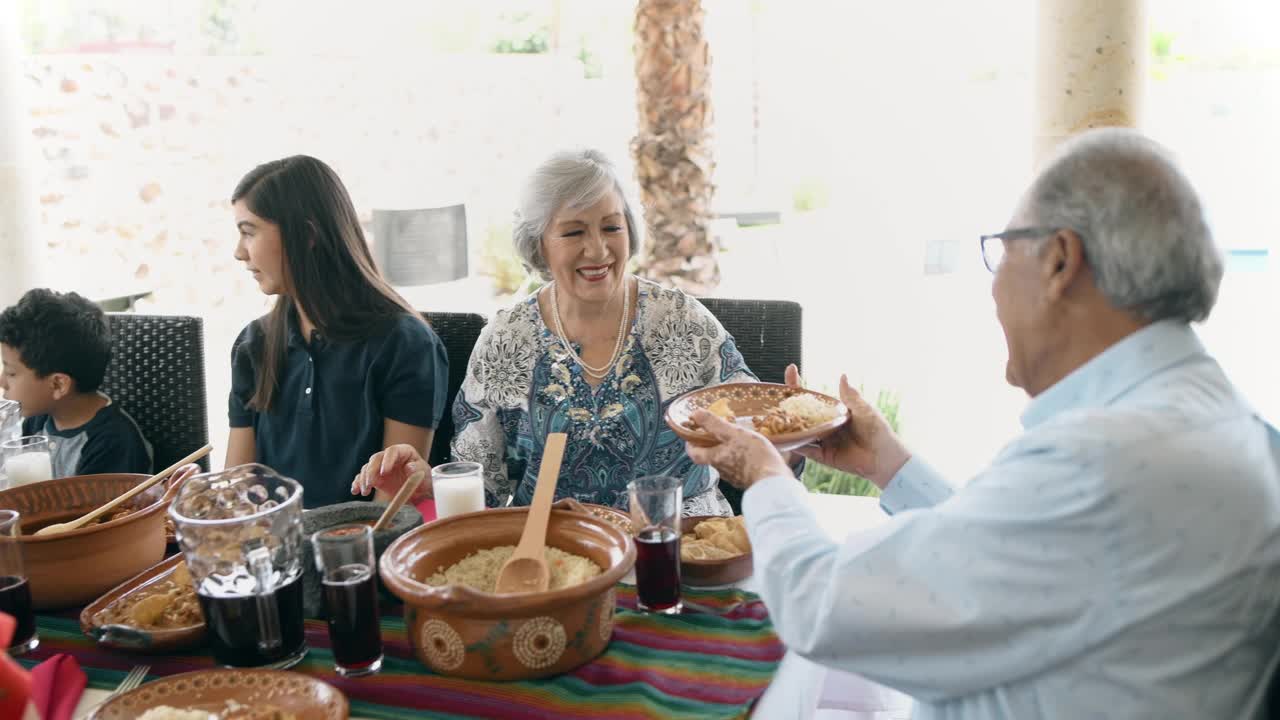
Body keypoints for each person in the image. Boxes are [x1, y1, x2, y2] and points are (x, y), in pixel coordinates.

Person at [685, 128, 1280, 718]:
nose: (993, 287)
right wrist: (885, 463)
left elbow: (825, 609)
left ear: (1060, 261)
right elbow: (1017, 559)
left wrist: (764, 476)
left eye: (1001, 250)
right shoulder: (1214, 422)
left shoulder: (1105, 459)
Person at [353, 148, 794, 514]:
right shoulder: (506, 339)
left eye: (611, 227)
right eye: (573, 231)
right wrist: (426, 482)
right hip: (549, 551)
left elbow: (755, 441)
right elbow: (481, 482)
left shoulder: (684, 322)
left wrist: (789, 431)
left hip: (679, 545)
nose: (598, 249)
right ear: (539, 242)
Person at [227, 155, 448, 508]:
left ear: (308, 234)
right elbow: (238, 491)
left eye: (248, 232)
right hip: (270, 551)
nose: (239, 252)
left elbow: (392, 505)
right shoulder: (253, 344)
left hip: (362, 551)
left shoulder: (406, 343)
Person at [0, 288, 152, 477]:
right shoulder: (37, 421)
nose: (2, 381)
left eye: (11, 373)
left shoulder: (112, 442)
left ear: (58, 385)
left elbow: (103, 507)